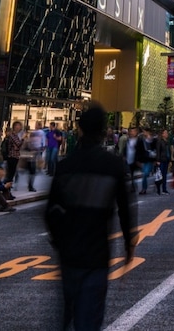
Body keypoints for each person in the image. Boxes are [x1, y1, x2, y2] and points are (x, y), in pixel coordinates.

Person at [45, 104, 136, 330]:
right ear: (104, 131)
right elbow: (126, 209)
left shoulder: (66, 166)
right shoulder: (113, 165)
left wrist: (58, 241)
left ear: (79, 129)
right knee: (89, 318)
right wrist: (129, 245)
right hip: (97, 252)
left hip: (69, 252)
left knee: (67, 312)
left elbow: (50, 211)